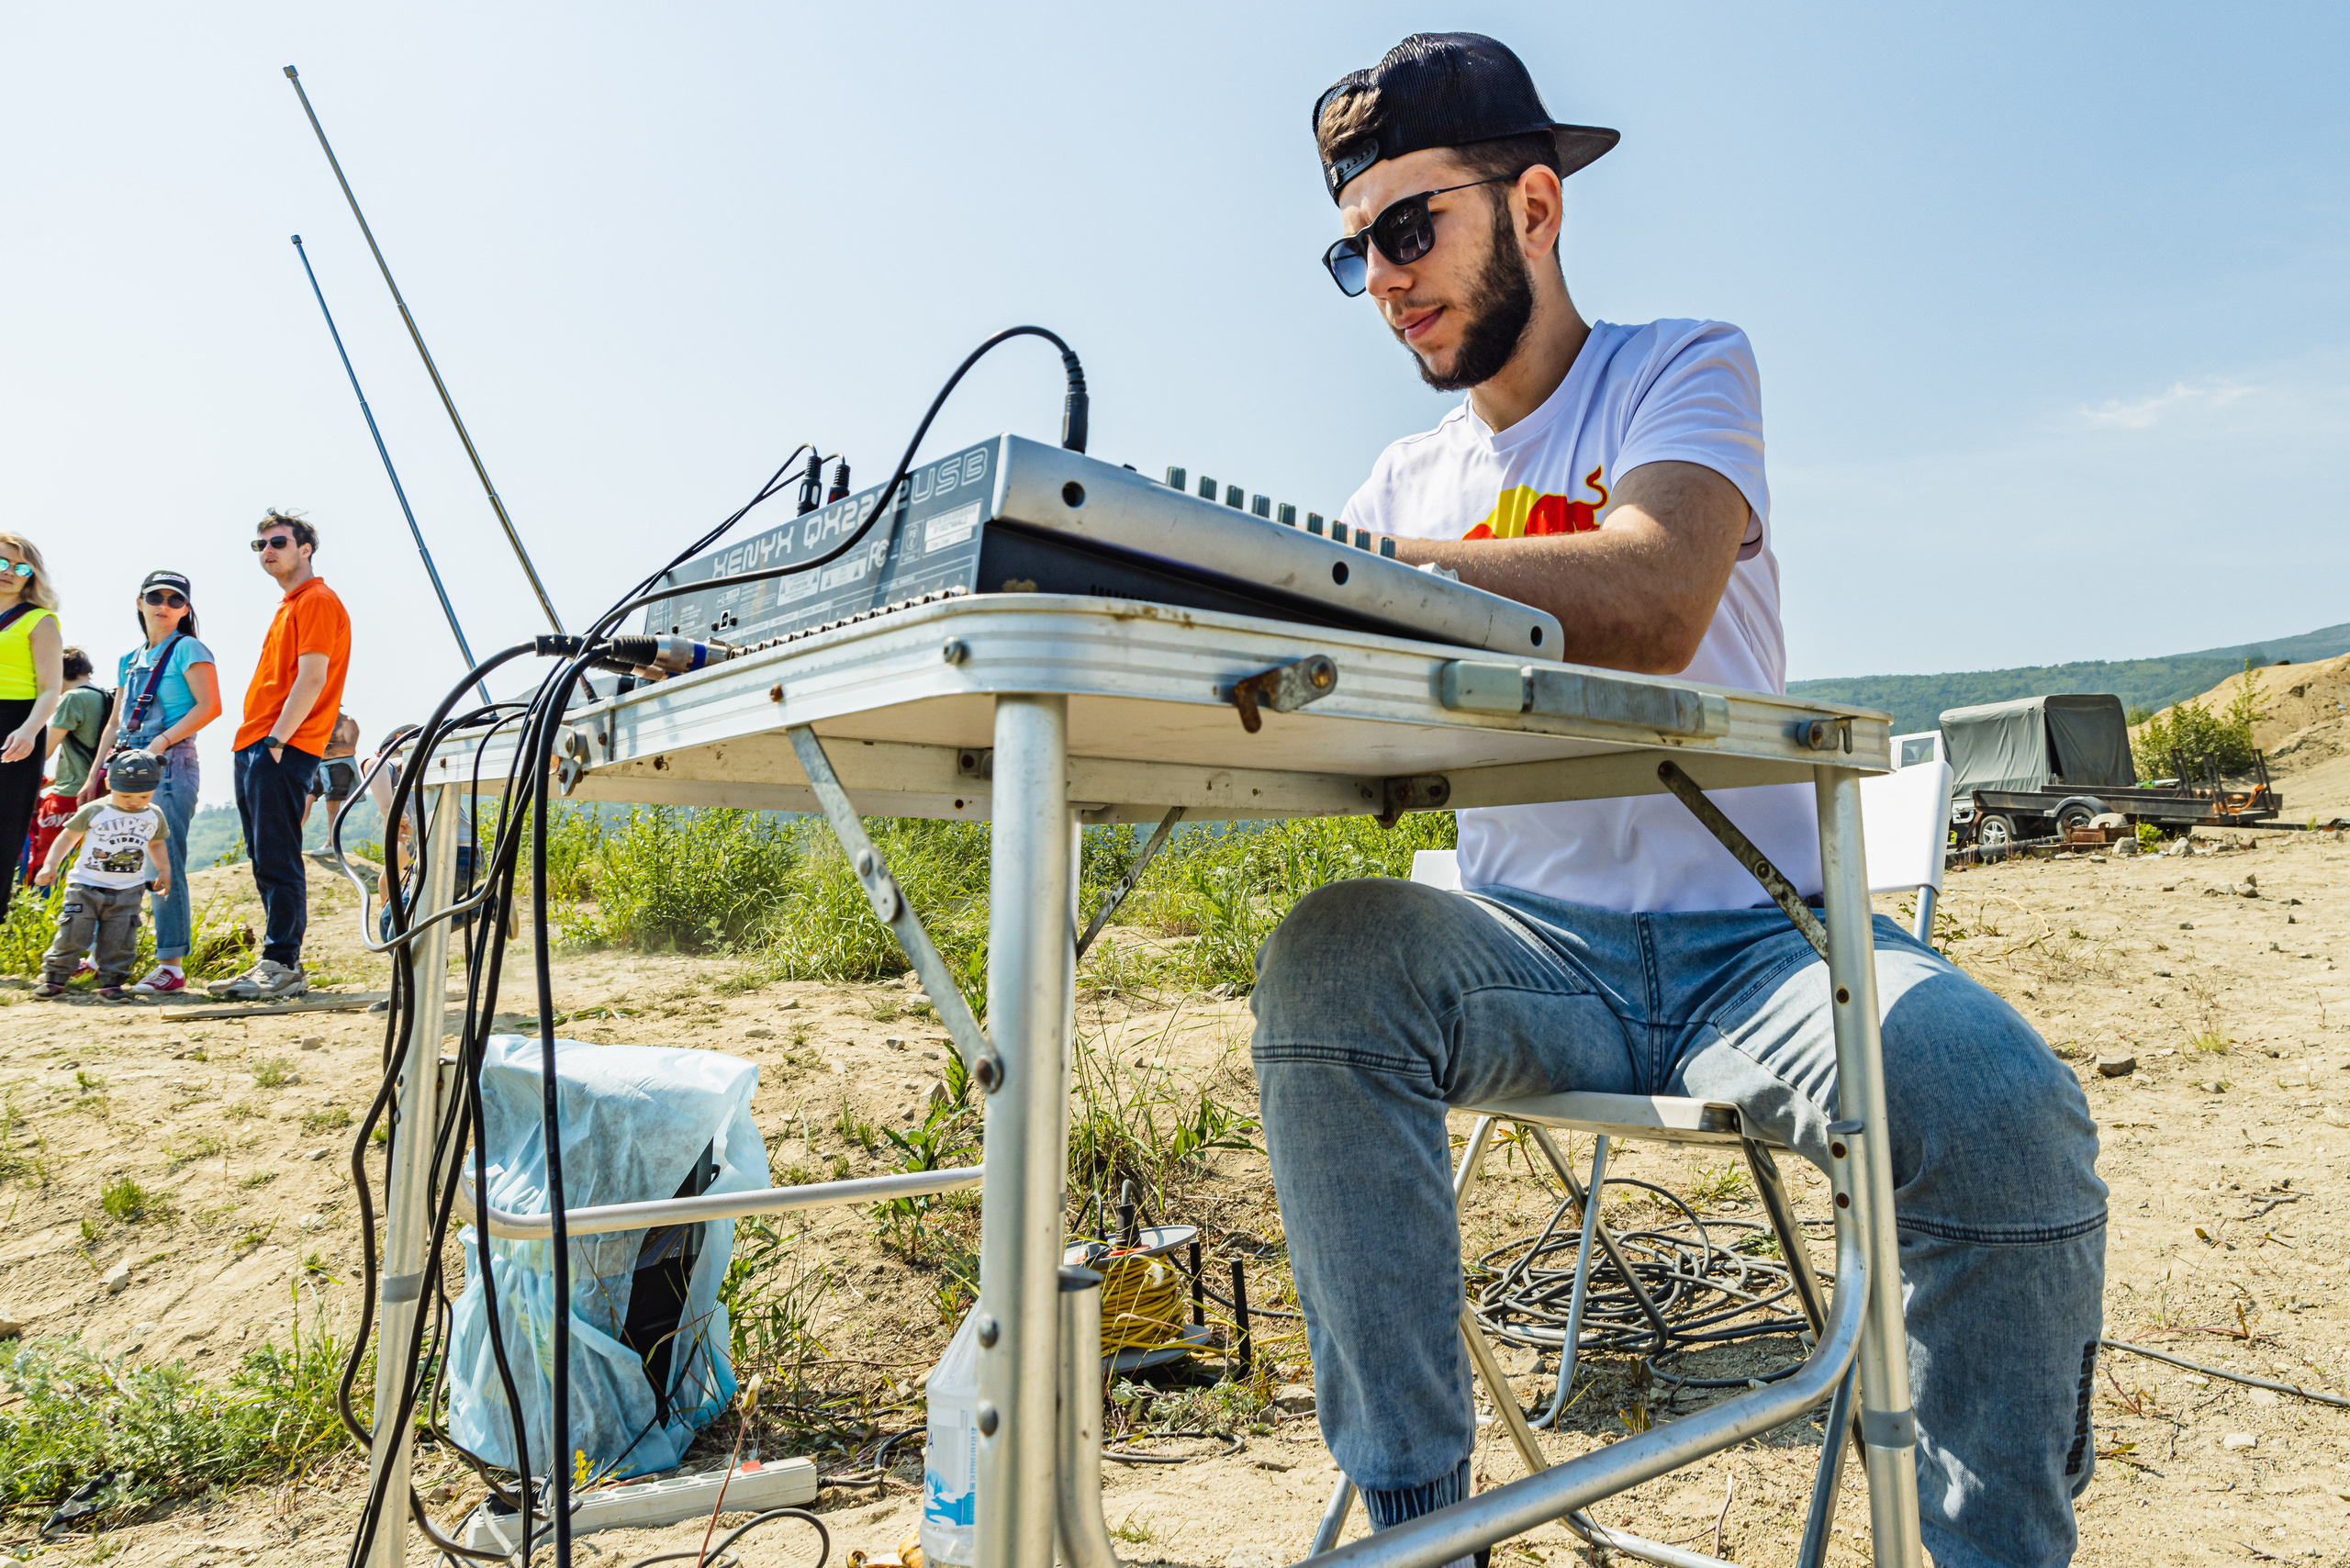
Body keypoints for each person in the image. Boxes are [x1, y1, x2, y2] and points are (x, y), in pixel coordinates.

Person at [1251, 36, 2103, 1568]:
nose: (1381, 278)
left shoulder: (1679, 370)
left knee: (2000, 1105)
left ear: (1533, 207)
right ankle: (1418, 1535)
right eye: (1351, 249)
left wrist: (1349, 582)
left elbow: (1653, 597)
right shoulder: (1399, 483)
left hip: (1762, 942)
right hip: (1534, 955)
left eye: (1407, 227)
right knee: (1331, 957)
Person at [210, 510, 351, 1002]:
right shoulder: (289, 605)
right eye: (261, 545)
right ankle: (276, 961)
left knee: (277, 854)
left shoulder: (316, 600)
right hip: (256, 743)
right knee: (263, 854)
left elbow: (312, 677)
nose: (267, 550)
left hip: (280, 745)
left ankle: (282, 963)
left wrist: (277, 741)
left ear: (305, 549)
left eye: (278, 542)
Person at [79, 571, 221, 997]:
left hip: (170, 763)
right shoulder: (130, 657)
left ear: (186, 609)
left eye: (175, 599)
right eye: (155, 597)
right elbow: (116, 721)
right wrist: (95, 774)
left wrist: (161, 743)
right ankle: (97, 958)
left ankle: (170, 965)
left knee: (163, 861)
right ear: (139, 602)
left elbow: (210, 706)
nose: (164, 605)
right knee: (111, 858)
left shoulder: (189, 648)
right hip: (125, 765)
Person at [33, 747, 169, 1002]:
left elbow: (157, 843)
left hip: (128, 890)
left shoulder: (153, 815)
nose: (134, 802)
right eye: (125, 795)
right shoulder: (95, 810)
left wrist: (164, 870)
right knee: (72, 932)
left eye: (143, 796)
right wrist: (50, 865)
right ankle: (55, 979)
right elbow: (68, 837)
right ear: (108, 784)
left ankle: (112, 984)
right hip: (85, 886)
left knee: (120, 939)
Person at [0, 534, 66, 924]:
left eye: (20, 567)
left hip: (15, 728)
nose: (9, 572)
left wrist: (28, 731)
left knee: (4, 829)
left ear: (32, 576)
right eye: (2, 562)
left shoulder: (39, 620)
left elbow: (51, 689)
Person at [32, 646, 105, 890]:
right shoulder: (105, 696)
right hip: (98, 793)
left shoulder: (72, 698)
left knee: (49, 867)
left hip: (67, 799)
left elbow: (42, 751)